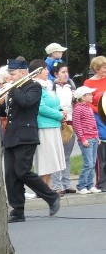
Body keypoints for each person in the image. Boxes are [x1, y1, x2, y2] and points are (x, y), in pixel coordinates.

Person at [0, 59, 61, 222]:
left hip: (26, 135)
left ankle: (51, 196)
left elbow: (26, 103)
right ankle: (18, 211)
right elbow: (4, 112)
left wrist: (13, 88)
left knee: (22, 170)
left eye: (13, 74)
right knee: (11, 175)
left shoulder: (34, 87)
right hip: (11, 135)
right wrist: (0, 101)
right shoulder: (13, 90)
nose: (10, 77)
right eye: (10, 74)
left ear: (23, 73)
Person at [31, 60, 65, 188]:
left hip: (53, 125)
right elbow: (41, 108)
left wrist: (61, 111)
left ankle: (47, 187)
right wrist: (59, 115)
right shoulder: (35, 86)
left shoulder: (48, 85)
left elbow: (54, 104)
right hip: (44, 126)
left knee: (51, 161)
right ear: (38, 71)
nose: (47, 72)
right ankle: (42, 188)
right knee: (46, 160)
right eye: (45, 69)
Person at [51, 64, 76, 194]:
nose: (66, 74)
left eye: (67, 72)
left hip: (70, 122)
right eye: (63, 72)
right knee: (57, 155)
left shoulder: (70, 86)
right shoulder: (52, 87)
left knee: (66, 155)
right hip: (59, 122)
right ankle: (56, 185)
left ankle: (66, 183)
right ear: (56, 74)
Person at [83, 56, 106, 190]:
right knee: (101, 153)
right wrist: (100, 111)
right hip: (98, 118)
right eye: (104, 67)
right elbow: (87, 102)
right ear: (96, 69)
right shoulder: (88, 83)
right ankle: (101, 183)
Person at [72, 86, 100, 194]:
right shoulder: (78, 109)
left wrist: (96, 136)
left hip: (93, 138)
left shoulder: (88, 108)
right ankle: (81, 185)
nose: (91, 96)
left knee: (92, 163)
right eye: (89, 94)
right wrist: (82, 139)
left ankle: (90, 185)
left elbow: (93, 124)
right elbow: (77, 125)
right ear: (83, 97)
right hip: (86, 140)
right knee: (88, 164)